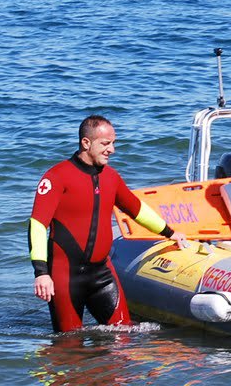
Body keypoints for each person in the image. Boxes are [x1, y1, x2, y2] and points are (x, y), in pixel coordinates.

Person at [29, 115, 190, 333]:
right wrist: (41, 273)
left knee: (123, 336)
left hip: (102, 274)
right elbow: (38, 224)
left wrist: (170, 232)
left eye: (113, 143)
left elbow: (136, 209)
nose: (112, 149)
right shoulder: (57, 177)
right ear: (86, 143)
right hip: (66, 276)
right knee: (68, 348)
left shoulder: (111, 177)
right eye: (105, 144)